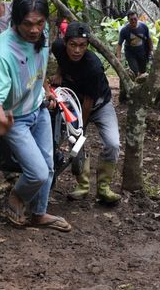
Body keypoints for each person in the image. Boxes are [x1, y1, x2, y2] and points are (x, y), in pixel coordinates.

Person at [0, 0, 72, 232]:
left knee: (48, 165)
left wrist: (45, 88)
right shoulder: (4, 50)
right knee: (37, 172)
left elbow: (38, 65)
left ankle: (39, 214)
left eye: (40, 23)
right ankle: (16, 197)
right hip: (16, 117)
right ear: (15, 21)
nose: (34, 30)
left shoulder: (41, 34)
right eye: (27, 24)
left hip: (39, 107)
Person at [50, 22, 121, 205]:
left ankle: (104, 187)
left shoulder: (93, 66)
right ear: (66, 43)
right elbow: (60, 59)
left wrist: (80, 129)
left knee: (112, 143)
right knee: (76, 145)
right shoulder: (57, 47)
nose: (77, 50)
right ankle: (82, 185)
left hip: (99, 105)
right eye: (73, 44)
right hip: (73, 103)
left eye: (82, 45)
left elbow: (88, 104)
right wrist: (58, 73)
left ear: (87, 46)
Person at [116, 11, 154, 76]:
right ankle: (136, 81)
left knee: (142, 72)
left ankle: (140, 84)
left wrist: (151, 50)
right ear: (128, 20)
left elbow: (149, 39)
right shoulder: (124, 30)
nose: (133, 21)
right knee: (135, 71)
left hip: (142, 53)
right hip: (131, 54)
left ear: (137, 18)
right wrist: (118, 57)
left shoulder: (144, 27)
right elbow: (119, 44)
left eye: (135, 19)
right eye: (131, 19)